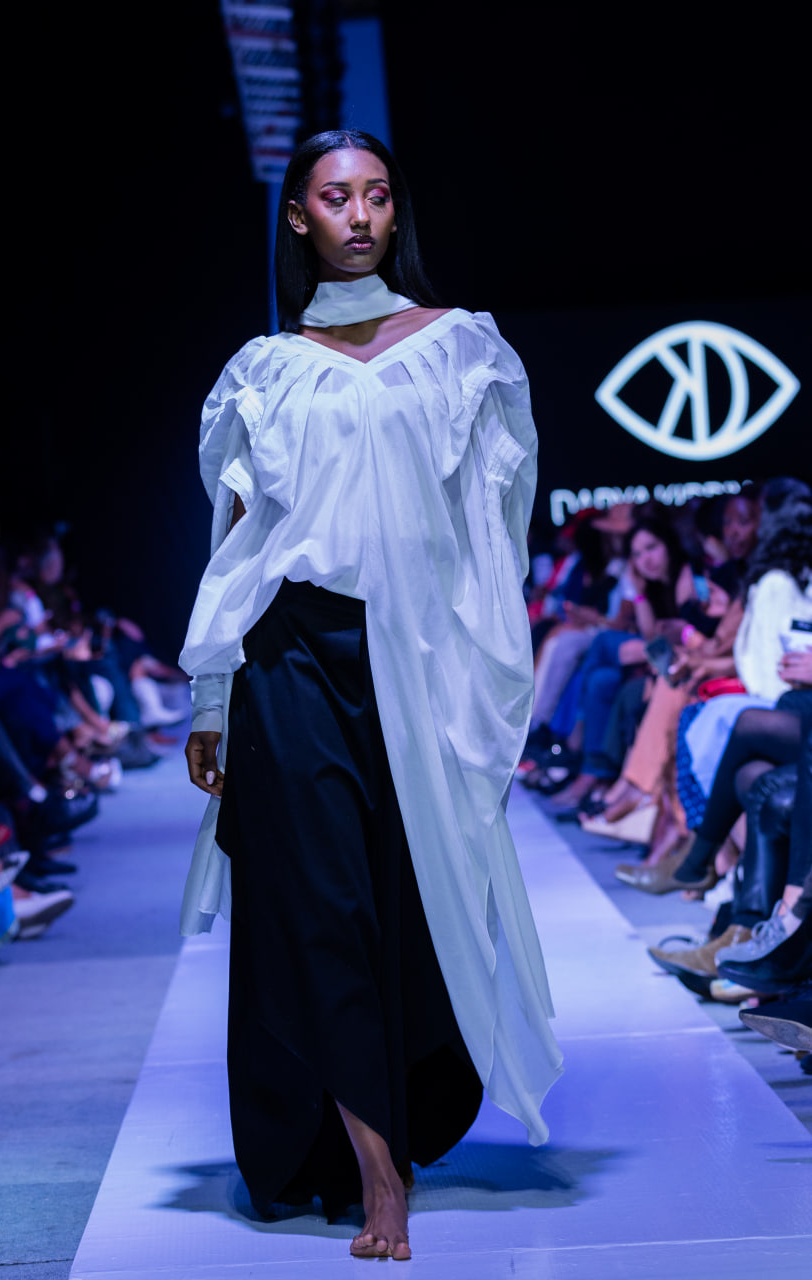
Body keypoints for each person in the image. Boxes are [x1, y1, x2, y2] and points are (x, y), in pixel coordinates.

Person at [180, 130, 561, 1260]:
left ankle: (388, 1126)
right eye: (336, 198)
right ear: (298, 216)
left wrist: (488, 677)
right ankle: (376, 1171)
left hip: (417, 657)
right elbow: (237, 539)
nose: (359, 216)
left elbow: (495, 529)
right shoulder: (263, 369)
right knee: (321, 902)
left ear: (397, 214)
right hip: (290, 653)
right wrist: (211, 695)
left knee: (400, 900)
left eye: (378, 196)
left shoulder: (461, 347)